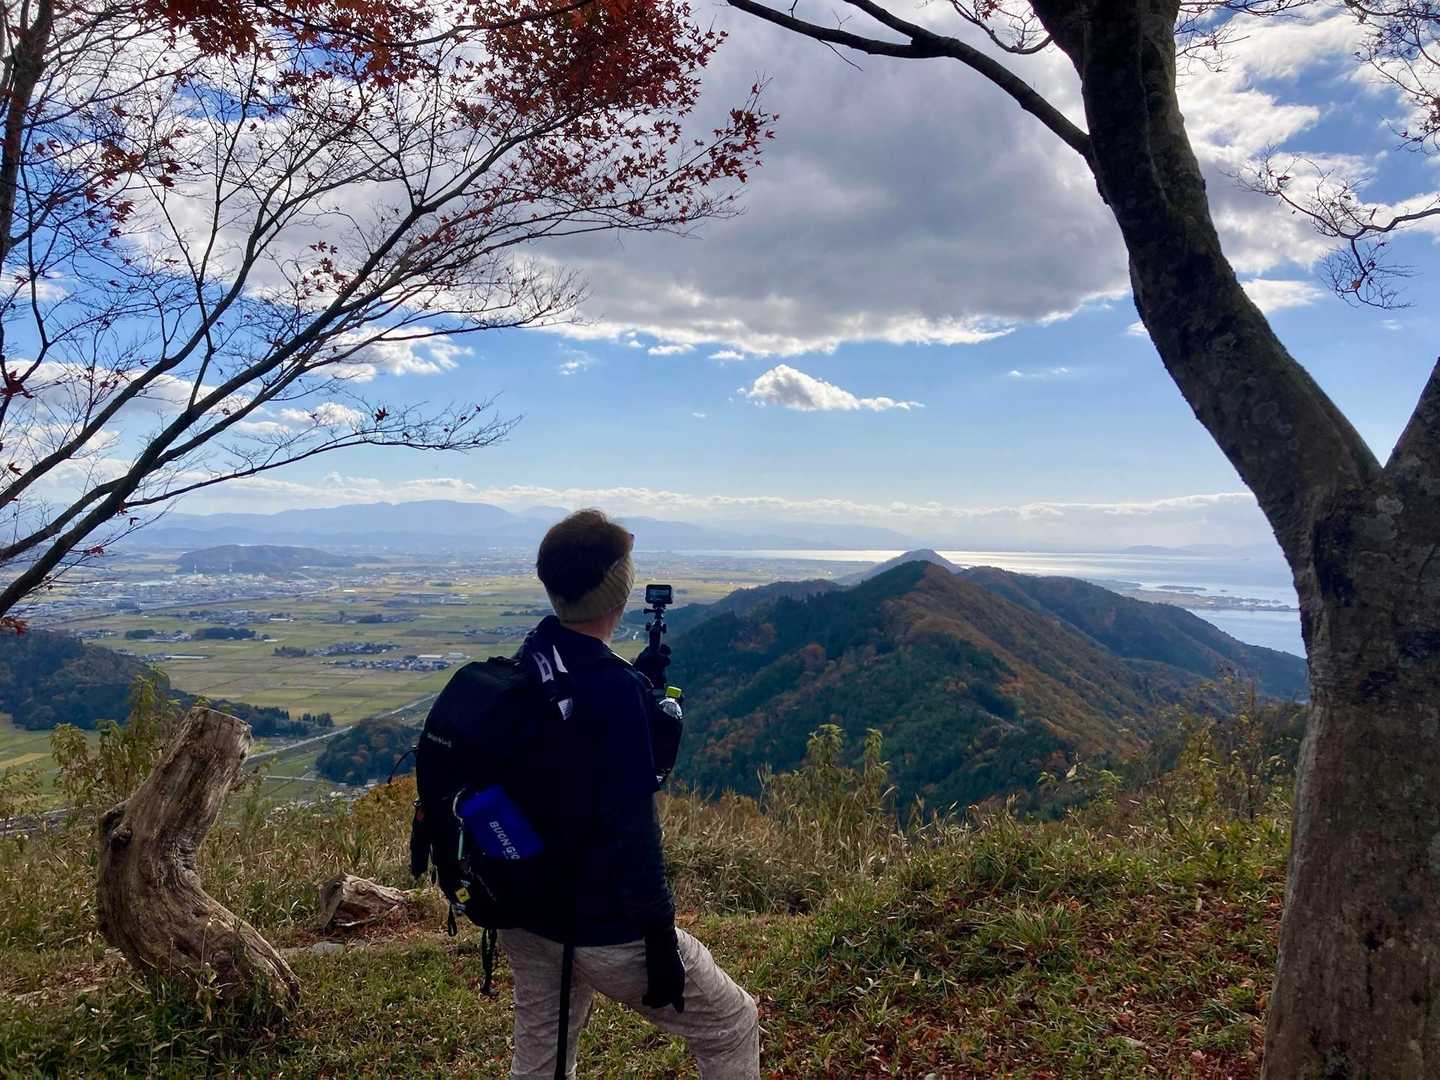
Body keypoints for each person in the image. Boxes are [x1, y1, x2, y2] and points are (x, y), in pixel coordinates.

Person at [499, 508, 760, 1080]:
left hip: (524, 909)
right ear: (618, 592)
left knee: (541, 1057)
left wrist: (635, 682)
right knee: (733, 1022)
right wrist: (659, 934)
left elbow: (570, 747)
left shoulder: (534, 655)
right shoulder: (612, 690)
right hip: (599, 921)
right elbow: (631, 823)